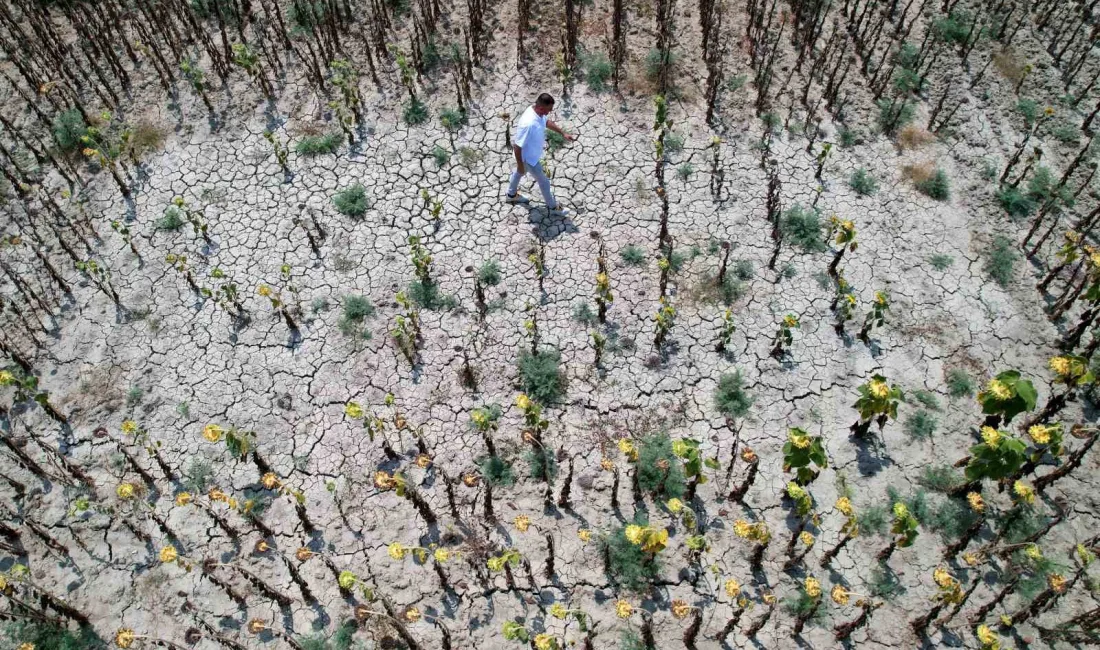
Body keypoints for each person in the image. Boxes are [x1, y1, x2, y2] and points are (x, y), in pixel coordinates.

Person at [506, 93, 575, 216]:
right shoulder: (528, 123)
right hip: (529, 159)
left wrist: (562, 133)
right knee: (544, 182)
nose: (549, 112)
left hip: (529, 157)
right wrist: (520, 164)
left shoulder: (536, 112)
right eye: (548, 110)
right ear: (541, 108)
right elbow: (517, 146)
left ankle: (511, 194)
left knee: (518, 173)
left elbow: (546, 122)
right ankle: (553, 208)